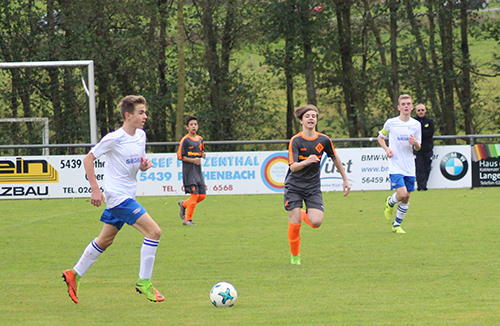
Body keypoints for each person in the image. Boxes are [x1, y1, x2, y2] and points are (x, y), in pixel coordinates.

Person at [62, 95, 165, 303]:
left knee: (105, 240)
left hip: (126, 195)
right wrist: (95, 189)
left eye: (145, 112)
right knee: (154, 232)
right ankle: (144, 282)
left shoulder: (141, 136)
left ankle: (74, 274)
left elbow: (138, 164)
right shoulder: (114, 138)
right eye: (141, 112)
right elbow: (88, 158)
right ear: (128, 115)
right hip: (118, 198)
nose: (145, 116)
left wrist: (143, 166)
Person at [284, 104, 351, 265]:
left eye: (314, 116)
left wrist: (345, 179)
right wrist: (307, 161)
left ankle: (298, 213)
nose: (311, 119)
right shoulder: (296, 140)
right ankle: (295, 256)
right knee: (295, 223)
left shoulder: (324, 140)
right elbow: (293, 167)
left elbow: (334, 157)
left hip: (313, 187)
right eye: (307, 116)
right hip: (294, 186)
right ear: (301, 120)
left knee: (316, 222)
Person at [378, 94, 422, 234]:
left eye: (408, 104)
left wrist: (415, 143)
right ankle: (390, 202)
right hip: (395, 164)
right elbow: (380, 137)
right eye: (403, 104)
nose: (406, 106)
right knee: (401, 193)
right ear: (399, 107)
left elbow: (419, 147)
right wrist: (387, 149)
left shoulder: (416, 124)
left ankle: (396, 225)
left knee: (406, 196)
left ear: (412, 107)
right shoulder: (391, 123)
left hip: (409, 165)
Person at [177, 115, 206, 226]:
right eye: (191, 125)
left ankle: (184, 204)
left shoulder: (200, 139)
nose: (193, 127)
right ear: (187, 127)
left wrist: (203, 154)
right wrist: (193, 160)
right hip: (189, 172)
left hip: (198, 172)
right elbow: (180, 156)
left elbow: (201, 151)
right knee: (194, 196)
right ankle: (187, 220)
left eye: (195, 124)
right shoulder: (185, 140)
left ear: (197, 126)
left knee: (202, 196)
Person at [414, 103, 435, 191]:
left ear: (425, 110)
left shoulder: (429, 121)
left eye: (422, 110)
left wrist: (420, 133)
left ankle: (424, 184)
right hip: (417, 148)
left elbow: (430, 133)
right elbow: (413, 133)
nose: (421, 112)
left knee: (427, 167)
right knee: (419, 167)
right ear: (416, 111)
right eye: (419, 110)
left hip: (428, 148)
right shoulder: (413, 122)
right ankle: (421, 187)